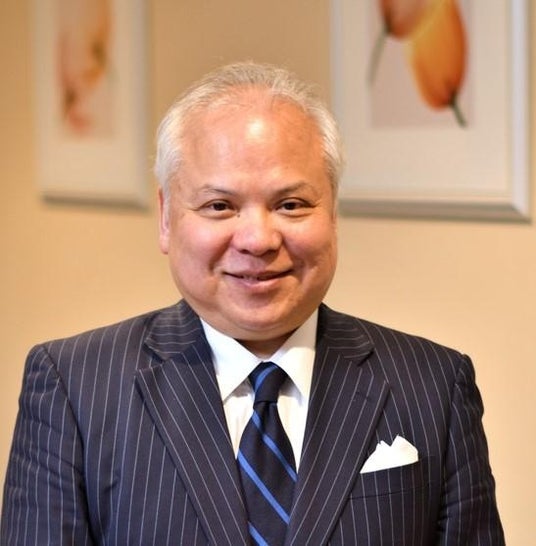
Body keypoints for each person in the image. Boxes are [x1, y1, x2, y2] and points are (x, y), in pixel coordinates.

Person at [1, 62, 504, 545]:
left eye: (291, 204)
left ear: (333, 212)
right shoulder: (75, 388)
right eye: (219, 206)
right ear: (166, 218)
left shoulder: (434, 385)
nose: (258, 239)